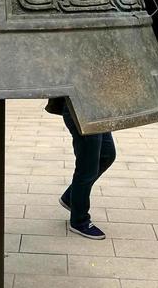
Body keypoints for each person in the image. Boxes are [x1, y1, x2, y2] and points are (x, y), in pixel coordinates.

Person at [47, 97, 116, 240]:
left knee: (107, 155)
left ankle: (70, 198)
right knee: (87, 166)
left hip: (97, 106)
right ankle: (79, 221)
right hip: (79, 109)